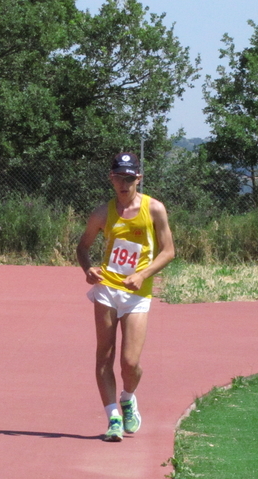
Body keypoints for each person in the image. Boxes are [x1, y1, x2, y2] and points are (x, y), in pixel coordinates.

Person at [76, 152, 175, 442]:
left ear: (138, 179)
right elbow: (83, 247)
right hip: (107, 289)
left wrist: (143, 275)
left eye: (130, 178)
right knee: (103, 356)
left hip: (137, 293)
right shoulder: (102, 213)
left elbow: (169, 251)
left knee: (130, 362)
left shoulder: (154, 209)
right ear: (111, 178)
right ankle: (113, 418)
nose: (124, 183)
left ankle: (128, 398)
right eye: (119, 177)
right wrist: (88, 268)